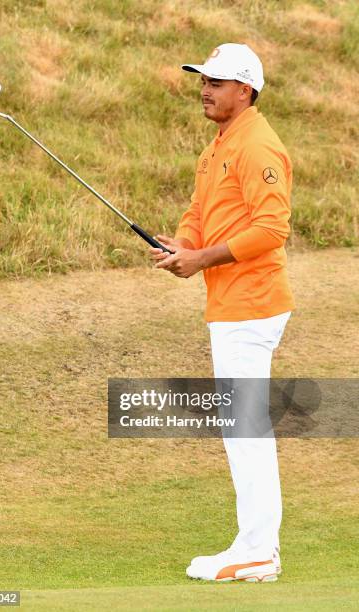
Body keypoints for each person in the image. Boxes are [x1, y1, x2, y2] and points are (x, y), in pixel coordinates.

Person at [150, 43, 295, 583]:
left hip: (251, 304)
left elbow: (271, 228)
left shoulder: (258, 145)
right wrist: (182, 245)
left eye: (217, 81)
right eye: (203, 80)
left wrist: (202, 259)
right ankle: (255, 544)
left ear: (246, 90)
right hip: (231, 303)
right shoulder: (219, 147)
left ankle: (257, 551)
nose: (206, 89)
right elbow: (200, 211)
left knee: (245, 428)